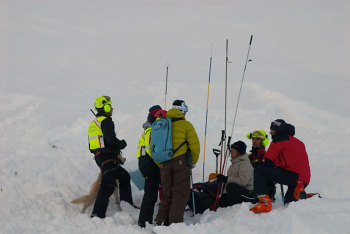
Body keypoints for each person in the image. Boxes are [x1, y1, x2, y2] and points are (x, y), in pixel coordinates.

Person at [154, 100, 200, 225]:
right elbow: (195, 147)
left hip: (164, 163)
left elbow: (153, 147)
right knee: (180, 194)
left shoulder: (162, 124)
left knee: (167, 194)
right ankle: (174, 225)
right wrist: (192, 163)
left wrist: (160, 163)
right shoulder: (186, 125)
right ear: (183, 112)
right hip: (180, 162)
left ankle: (159, 221)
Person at [250, 119, 311, 213]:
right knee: (289, 202)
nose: (270, 132)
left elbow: (268, 161)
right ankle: (305, 194)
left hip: (292, 175)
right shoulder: (299, 142)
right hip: (304, 179)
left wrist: (258, 163)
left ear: (277, 129)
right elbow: (291, 160)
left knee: (260, 170)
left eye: (272, 129)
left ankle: (264, 202)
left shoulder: (278, 140)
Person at [88, 96, 134, 218]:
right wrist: (122, 144)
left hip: (101, 158)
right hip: (107, 159)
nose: (112, 109)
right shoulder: (106, 121)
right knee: (107, 186)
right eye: (110, 106)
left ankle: (126, 206)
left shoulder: (94, 123)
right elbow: (111, 140)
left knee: (124, 177)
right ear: (105, 107)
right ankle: (97, 215)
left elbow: (92, 146)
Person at [137, 105, 166, 228]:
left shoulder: (147, 129)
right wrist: (161, 164)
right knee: (150, 194)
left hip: (146, 164)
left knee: (151, 193)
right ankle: (144, 222)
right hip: (150, 165)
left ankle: (145, 220)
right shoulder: (151, 131)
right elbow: (151, 150)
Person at [216, 141, 256, 207]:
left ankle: (235, 209)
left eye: (234, 149)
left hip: (248, 194)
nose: (231, 150)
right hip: (238, 193)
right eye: (231, 149)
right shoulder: (234, 164)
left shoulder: (245, 164)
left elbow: (243, 182)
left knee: (231, 187)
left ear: (239, 151)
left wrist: (226, 179)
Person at [246, 130, 276, 200]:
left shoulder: (268, 156)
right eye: (253, 139)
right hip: (249, 186)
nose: (254, 141)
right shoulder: (249, 156)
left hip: (265, 191)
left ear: (264, 141)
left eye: (257, 139)